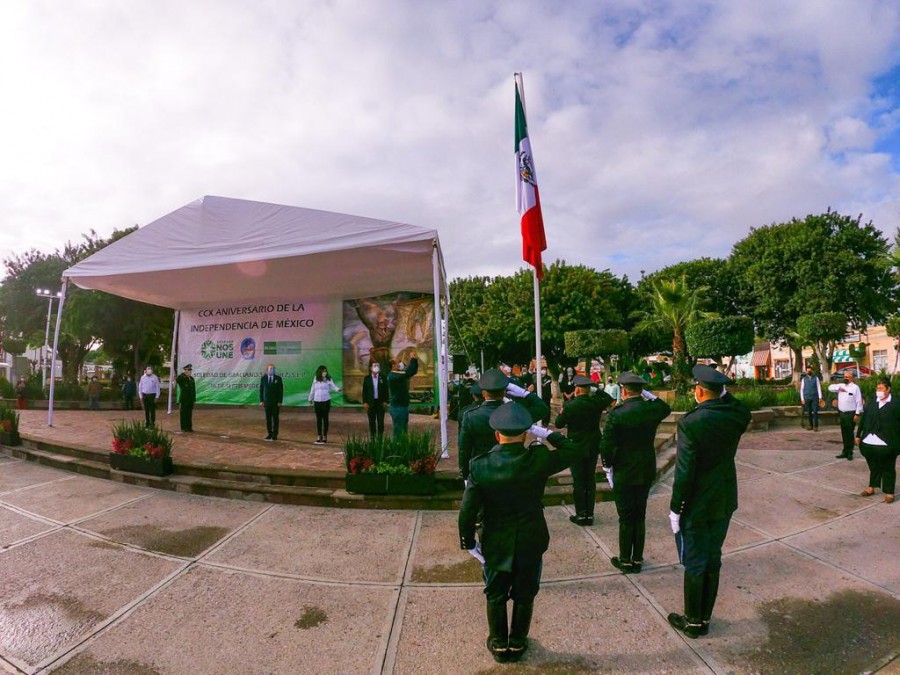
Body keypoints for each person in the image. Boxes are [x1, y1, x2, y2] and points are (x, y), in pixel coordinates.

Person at [458, 401, 584, 663]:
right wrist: (546, 433)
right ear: (526, 434)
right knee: (525, 593)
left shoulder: (480, 465)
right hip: (530, 537)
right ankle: (517, 643)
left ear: (496, 435)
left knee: (495, 593)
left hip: (495, 540)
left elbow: (468, 510)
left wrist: (468, 542)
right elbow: (573, 449)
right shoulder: (537, 459)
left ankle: (498, 644)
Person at [667, 365, 751, 639]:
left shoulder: (691, 422)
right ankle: (704, 617)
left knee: (695, 562)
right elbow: (738, 405)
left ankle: (692, 622)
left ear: (699, 391)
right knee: (713, 559)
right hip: (723, 499)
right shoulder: (736, 415)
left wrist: (675, 508)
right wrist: (722, 391)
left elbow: (685, 472)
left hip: (697, 503)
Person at [599, 372, 671, 573]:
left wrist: (607, 466)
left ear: (623, 390)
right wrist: (648, 395)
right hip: (645, 467)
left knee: (625, 516)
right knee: (640, 515)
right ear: (641, 390)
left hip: (623, 469)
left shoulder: (617, 413)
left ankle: (625, 559)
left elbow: (606, 445)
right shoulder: (651, 410)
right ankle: (637, 558)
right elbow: (665, 408)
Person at [458, 368, 550, 482]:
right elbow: (543, 409)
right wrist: (524, 393)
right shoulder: (516, 413)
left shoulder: (470, 416)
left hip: (482, 469)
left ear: (484, 393)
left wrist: (466, 475)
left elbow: (464, 449)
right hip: (512, 469)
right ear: (504, 392)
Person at [554, 374, 614, 526]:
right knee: (590, 480)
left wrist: (562, 411)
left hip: (576, 446)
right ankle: (590, 514)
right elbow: (608, 398)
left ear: (576, 389)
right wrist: (595, 389)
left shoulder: (570, 405)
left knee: (579, 481)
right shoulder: (595, 403)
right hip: (593, 445)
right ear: (587, 390)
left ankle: (581, 514)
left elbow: (559, 424)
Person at [856, 377, 899, 504]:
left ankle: (889, 492)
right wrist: (858, 435)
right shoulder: (871, 402)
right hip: (869, 440)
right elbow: (863, 419)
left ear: (888, 389)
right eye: (877, 388)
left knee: (888, 467)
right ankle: (872, 486)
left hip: (887, 442)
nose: (878, 390)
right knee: (873, 465)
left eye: (880, 388)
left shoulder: (896, 404)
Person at [828, 370, 863, 459]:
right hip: (842, 413)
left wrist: (857, 414)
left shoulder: (855, 388)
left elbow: (859, 401)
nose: (845, 378)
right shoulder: (841, 386)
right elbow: (830, 387)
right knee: (844, 433)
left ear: (851, 378)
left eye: (847, 377)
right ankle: (845, 451)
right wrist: (838, 389)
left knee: (849, 433)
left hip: (851, 413)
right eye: (844, 377)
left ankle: (850, 452)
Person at [387, 352, 418, 438]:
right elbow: (409, 372)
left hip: (402, 407)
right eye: (398, 362)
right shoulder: (393, 376)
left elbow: (411, 371)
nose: (400, 364)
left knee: (403, 432)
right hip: (398, 408)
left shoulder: (397, 374)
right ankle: (397, 449)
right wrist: (413, 359)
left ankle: (403, 448)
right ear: (393, 365)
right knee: (399, 433)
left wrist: (414, 361)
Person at [308, 365, 341, 445]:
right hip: (317, 401)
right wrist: (310, 398)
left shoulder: (328, 379)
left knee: (325, 419)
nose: (324, 373)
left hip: (326, 401)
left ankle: (325, 436)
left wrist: (338, 389)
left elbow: (333, 386)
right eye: (323, 371)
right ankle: (319, 436)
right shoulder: (315, 379)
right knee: (318, 419)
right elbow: (313, 389)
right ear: (320, 372)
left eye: (325, 371)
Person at [362, 360, 390, 439]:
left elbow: (386, 390)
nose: (376, 368)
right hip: (371, 403)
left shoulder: (383, 377)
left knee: (380, 422)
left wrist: (385, 401)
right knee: (371, 422)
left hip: (380, 403)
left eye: (377, 366)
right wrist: (365, 402)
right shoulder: (367, 378)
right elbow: (364, 391)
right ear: (371, 368)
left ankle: (380, 439)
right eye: (374, 366)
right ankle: (373, 438)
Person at [259, 363, 284, 441]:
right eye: (270, 369)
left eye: (273, 369)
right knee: (268, 419)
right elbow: (261, 390)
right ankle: (269, 434)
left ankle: (275, 435)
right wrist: (261, 400)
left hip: (276, 402)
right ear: (267, 370)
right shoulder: (263, 378)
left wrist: (280, 401)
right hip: (267, 402)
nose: (272, 370)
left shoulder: (278, 378)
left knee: (275, 419)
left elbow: (281, 390)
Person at [799, 367, 824, 431]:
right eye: (807, 370)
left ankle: (816, 426)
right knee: (809, 412)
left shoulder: (816, 378)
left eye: (810, 370)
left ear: (812, 371)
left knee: (815, 412)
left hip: (815, 397)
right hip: (807, 398)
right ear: (806, 372)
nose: (809, 371)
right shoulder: (804, 379)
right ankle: (811, 426)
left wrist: (820, 397)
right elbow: (801, 389)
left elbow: (818, 388)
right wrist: (802, 399)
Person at [175, 364, 196, 432]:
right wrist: (184, 374)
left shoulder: (192, 379)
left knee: (189, 414)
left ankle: (189, 427)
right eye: (188, 370)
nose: (190, 371)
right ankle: (184, 427)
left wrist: (194, 399)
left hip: (190, 399)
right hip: (184, 399)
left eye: (190, 370)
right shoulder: (182, 378)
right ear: (185, 371)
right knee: (184, 413)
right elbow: (177, 379)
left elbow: (193, 390)